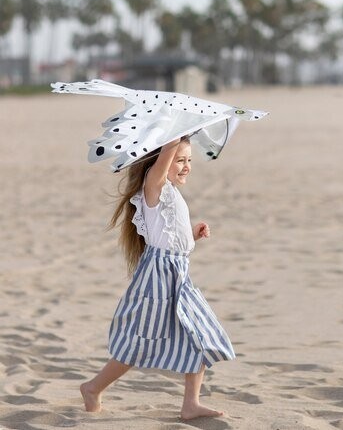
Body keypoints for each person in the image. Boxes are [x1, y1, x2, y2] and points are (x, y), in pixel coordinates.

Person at [79, 136, 235, 420]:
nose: (186, 166)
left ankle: (191, 404)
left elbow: (169, 236)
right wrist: (173, 132)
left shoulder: (172, 193)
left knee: (197, 334)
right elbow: (162, 162)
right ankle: (93, 387)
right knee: (139, 341)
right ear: (160, 162)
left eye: (189, 160)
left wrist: (193, 234)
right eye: (180, 160)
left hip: (178, 275)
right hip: (158, 280)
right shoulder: (154, 186)